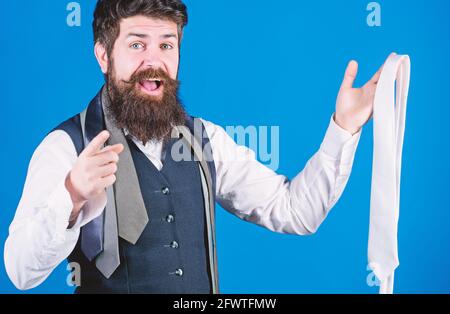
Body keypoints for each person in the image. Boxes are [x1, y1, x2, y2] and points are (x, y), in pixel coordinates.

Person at [4, 0, 388, 293]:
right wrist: (70, 195)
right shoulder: (65, 147)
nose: (154, 61)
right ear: (104, 55)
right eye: (137, 44)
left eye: (166, 45)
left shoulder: (205, 139)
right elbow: (21, 271)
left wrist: (344, 127)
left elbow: (295, 212)